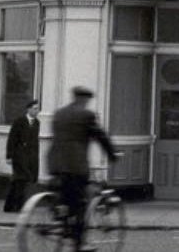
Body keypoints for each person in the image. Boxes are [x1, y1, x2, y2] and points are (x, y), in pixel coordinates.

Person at [47, 87, 117, 252]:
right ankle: (80, 243)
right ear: (85, 99)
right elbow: (100, 136)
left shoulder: (59, 113)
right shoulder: (86, 115)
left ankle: (60, 220)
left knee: (63, 195)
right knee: (81, 203)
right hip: (75, 165)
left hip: (55, 162)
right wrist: (112, 154)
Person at [4, 99, 41, 212]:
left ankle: (10, 206)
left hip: (30, 157)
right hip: (19, 155)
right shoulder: (19, 121)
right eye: (34, 109)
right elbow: (12, 139)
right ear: (28, 109)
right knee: (20, 180)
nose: (36, 111)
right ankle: (17, 206)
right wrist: (9, 156)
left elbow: (35, 141)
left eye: (37, 109)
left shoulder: (37, 123)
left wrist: (36, 158)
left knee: (19, 181)